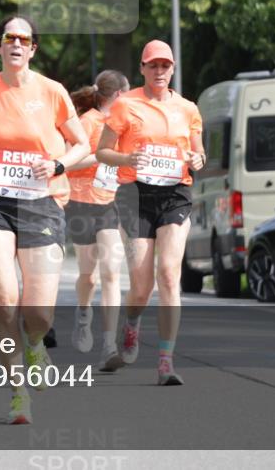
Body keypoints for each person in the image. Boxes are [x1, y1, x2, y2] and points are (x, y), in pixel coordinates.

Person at [0, 15, 89, 424]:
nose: (16, 44)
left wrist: (59, 164)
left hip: (41, 202)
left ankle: (36, 343)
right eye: (9, 38)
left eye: (24, 39)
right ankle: (17, 392)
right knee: (4, 299)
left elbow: (82, 144)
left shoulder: (53, 92)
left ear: (33, 49)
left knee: (37, 312)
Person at [96, 40, 205, 386]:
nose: (159, 71)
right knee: (141, 287)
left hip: (176, 195)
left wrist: (197, 160)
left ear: (173, 69)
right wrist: (127, 159)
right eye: (153, 65)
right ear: (142, 69)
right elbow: (101, 152)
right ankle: (131, 326)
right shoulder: (125, 105)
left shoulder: (188, 109)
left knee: (170, 275)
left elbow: (199, 154)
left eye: (165, 66)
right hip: (135, 196)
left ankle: (165, 361)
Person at [65, 70, 130, 370]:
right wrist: (103, 156)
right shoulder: (87, 121)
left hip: (109, 204)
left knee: (112, 274)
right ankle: (83, 313)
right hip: (81, 203)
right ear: (118, 96)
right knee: (88, 276)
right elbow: (67, 162)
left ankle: (109, 345)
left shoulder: (124, 124)